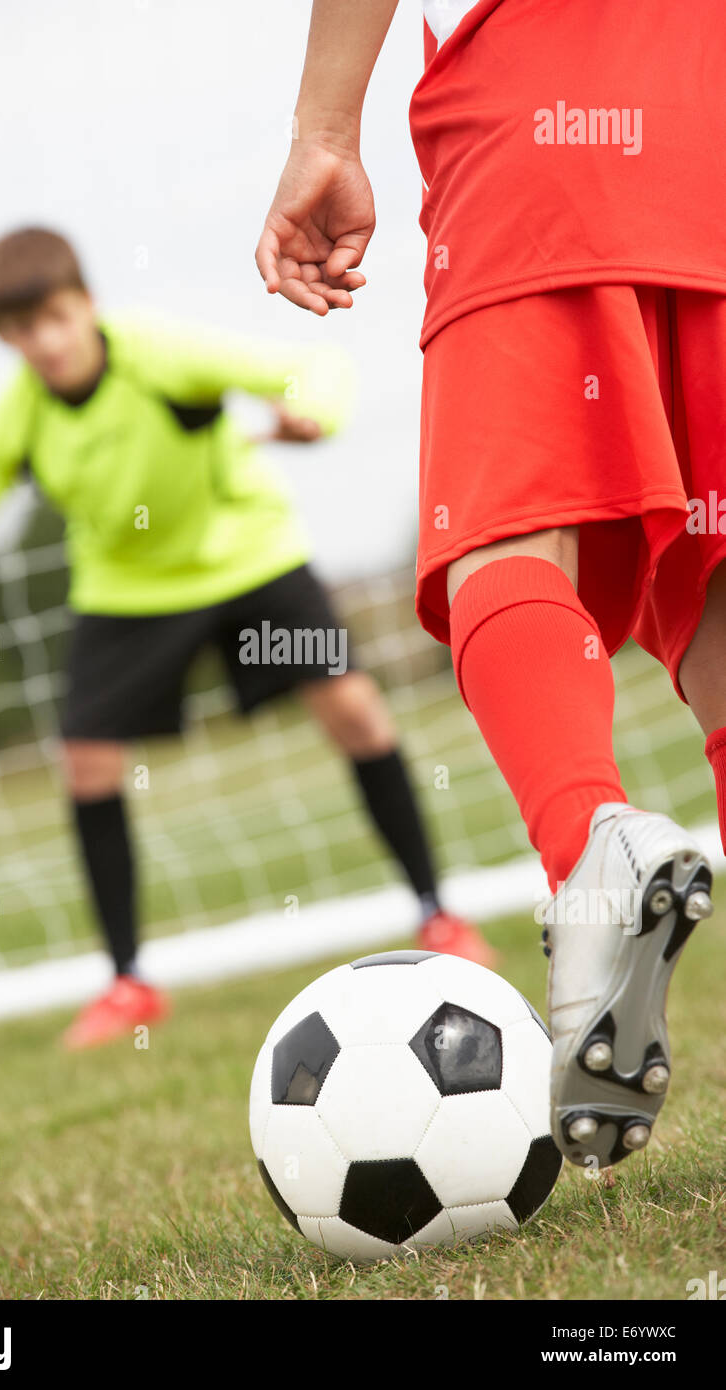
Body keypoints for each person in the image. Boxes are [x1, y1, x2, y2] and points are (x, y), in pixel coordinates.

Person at [255, 0, 725, 1167]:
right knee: (716, 574)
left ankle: (589, 848)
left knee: (503, 536)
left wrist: (324, 126)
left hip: (537, 123)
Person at [0, 226, 489, 1049]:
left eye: (53, 316)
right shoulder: (20, 412)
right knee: (84, 760)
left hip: (247, 562)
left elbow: (309, 367)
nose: (43, 341)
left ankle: (439, 915)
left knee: (356, 711)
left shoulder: (156, 350)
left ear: (85, 303)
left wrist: (311, 412)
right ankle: (128, 985)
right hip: (128, 595)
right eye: (20, 330)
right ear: (6, 339)